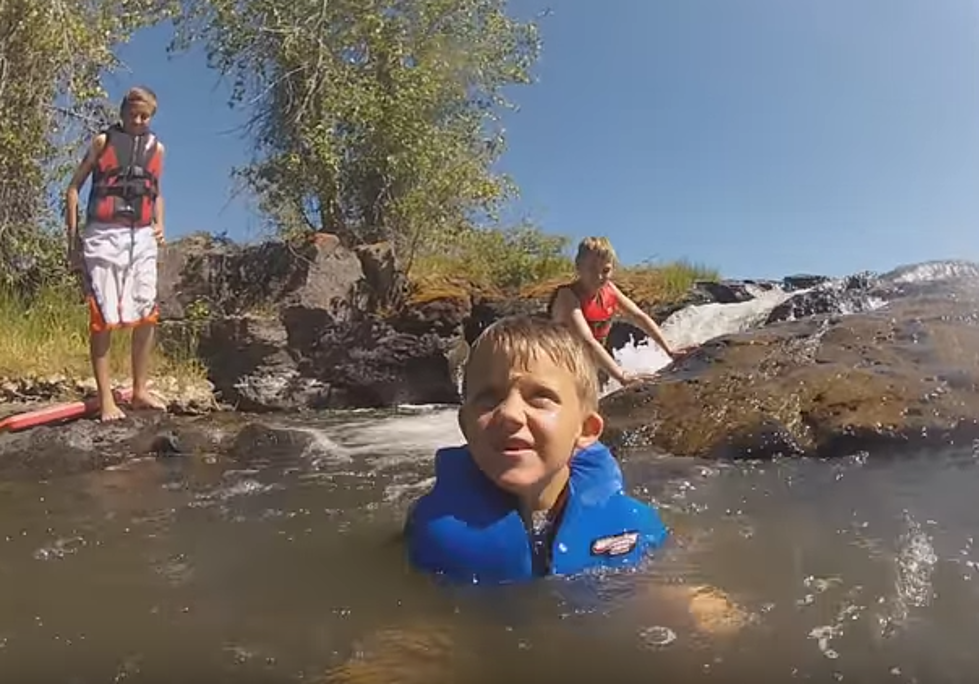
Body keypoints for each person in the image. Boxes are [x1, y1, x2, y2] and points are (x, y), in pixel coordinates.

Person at [404, 315, 669, 584]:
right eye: (489, 398)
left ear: (586, 429)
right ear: (466, 426)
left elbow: (663, 592)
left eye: (540, 397)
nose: (509, 413)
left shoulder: (634, 527)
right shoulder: (424, 527)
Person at [65, 85, 167, 422]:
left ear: (152, 116)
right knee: (103, 315)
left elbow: (157, 192)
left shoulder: (157, 149)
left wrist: (160, 223)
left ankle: (139, 390)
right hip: (103, 235)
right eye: (132, 114)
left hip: (141, 237)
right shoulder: (102, 142)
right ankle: (107, 399)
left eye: (145, 116)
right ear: (122, 112)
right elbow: (73, 189)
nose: (138, 121)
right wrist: (73, 243)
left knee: (147, 311)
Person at [550, 236, 687, 387]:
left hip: (588, 366)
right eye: (592, 269)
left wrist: (670, 350)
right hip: (557, 367)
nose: (599, 276)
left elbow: (639, 316)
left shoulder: (609, 289)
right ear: (579, 267)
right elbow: (587, 340)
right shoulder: (567, 296)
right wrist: (622, 376)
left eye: (606, 270)